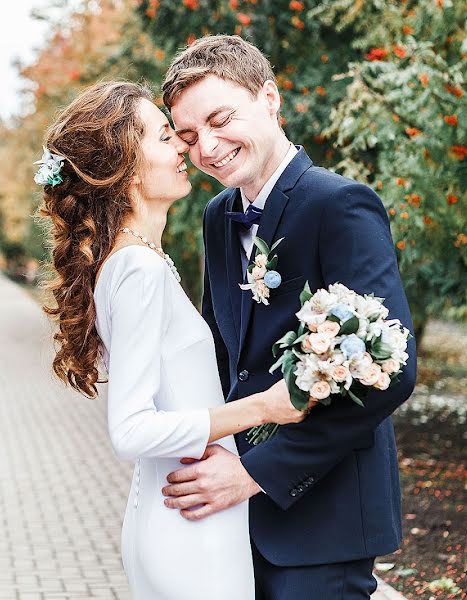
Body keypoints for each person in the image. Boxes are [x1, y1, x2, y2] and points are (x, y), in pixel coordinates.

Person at [159, 35, 418, 599]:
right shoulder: (217, 216)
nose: (207, 146)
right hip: (235, 517)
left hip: (324, 519)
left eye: (220, 118)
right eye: (188, 136)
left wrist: (255, 473)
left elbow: (391, 371)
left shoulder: (340, 205)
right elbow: (226, 355)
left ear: (270, 99)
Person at [38, 81, 315, 599]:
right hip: (189, 529)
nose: (186, 149)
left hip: (190, 513)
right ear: (125, 165)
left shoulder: (139, 260)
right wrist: (266, 408)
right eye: (167, 137)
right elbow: (131, 430)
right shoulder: (138, 269)